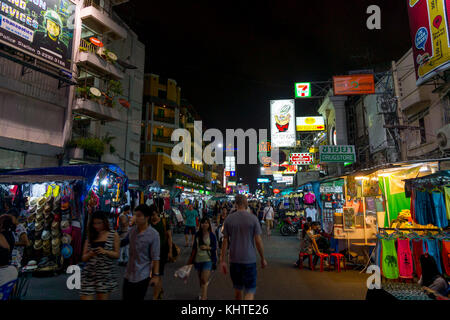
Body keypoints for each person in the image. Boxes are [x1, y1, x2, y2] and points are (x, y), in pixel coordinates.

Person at [220, 194, 267, 300]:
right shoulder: (253, 219)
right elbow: (258, 241)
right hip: (249, 259)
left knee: (238, 290)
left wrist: (222, 260)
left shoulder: (229, 219)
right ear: (246, 204)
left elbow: (225, 240)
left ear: (235, 204)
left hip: (234, 259)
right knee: (250, 290)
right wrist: (263, 258)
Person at [120, 204, 160, 301]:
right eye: (135, 215)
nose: (135, 218)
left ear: (146, 217)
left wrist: (155, 276)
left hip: (142, 275)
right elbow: (124, 242)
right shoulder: (132, 231)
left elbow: (155, 257)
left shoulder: (153, 234)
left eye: (138, 215)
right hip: (128, 274)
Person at [80, 211, 120, 300]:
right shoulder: (90, 235)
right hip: (89, 274)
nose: (96, 226)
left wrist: (104, 251)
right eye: (94, 223)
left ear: (105, 222)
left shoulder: (113, 235)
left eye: (99, 223)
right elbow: (83, 258)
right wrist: (90, 254)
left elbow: (117, 254)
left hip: (104, 275)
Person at [188, 217, 217, 300]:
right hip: (198, 260)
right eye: (203, 223)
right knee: (201, 280)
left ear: (209, 224)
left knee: (204, 280)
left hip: (208, 260)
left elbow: (214, 247)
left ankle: (204, 298)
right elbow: (194, 248)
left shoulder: (212, 235)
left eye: (206, 223)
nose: (204, 224)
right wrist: (190, 260)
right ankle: (202, 294)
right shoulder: (197, 235)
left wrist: (207, 247)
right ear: (200, 224)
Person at [150, 205, 173, 300]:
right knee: (153, 274)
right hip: (150, 252)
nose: (152, 217)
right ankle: (160, 289)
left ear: (157, 213)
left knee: (157, 273)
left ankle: (156, 297)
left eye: (154, 214)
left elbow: (169, 237)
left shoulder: (164, 222)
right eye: (151, 215)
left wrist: (170, 251)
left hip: (162, 251)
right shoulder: (148, 223)